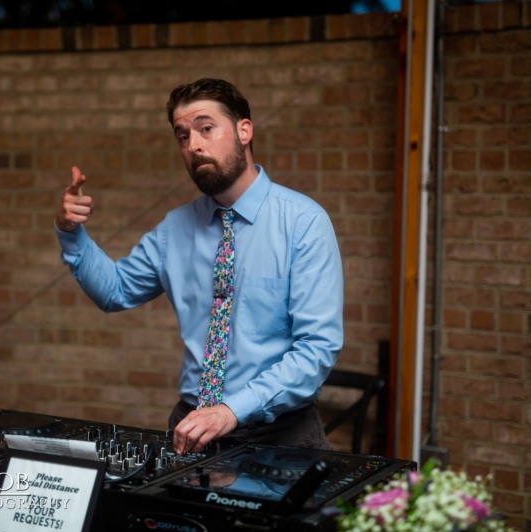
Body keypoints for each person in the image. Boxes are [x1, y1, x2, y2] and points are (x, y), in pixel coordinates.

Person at [55, 78, 343, 454]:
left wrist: (230, 411)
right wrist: (70, 231)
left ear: (244, 130)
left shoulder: (303, 222)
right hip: (190, 429)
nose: (193, 144)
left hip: (279, 435)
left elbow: (316, 349)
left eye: (206, 128)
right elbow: (115, 290)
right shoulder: (174, 228)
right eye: (182, 136)